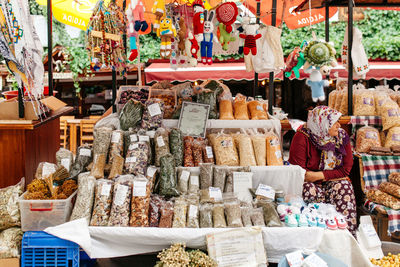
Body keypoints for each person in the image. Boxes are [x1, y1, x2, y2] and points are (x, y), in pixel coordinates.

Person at [289, 106, 357, 234]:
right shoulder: (302, 137)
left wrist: (318, 175)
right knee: (309, 190)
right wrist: (313, 178)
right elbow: (299, 172)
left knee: (344, 188)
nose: (338, 125)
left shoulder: (341, 137)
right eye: (334, 122)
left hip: (328, 179)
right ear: (322, 124)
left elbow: (346, 169)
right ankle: (319, 235)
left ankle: (347, 236)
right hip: (310, 183)